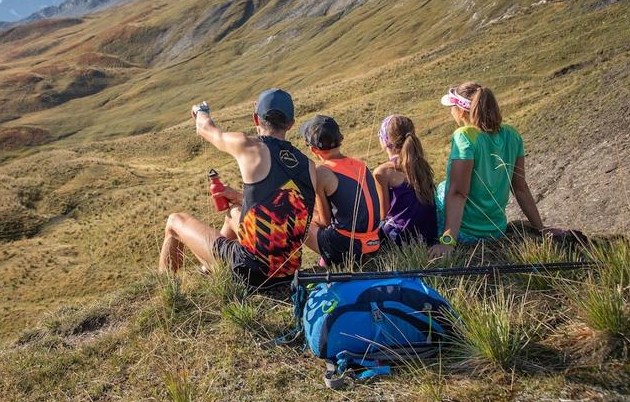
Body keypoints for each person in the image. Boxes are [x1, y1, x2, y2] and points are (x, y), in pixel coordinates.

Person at [158, 89, 317, 287]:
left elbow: (205, 129)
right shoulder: (309, 166)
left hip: (249, 271)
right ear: (291, 124)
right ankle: (211, 269)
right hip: (288, 271)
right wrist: (240, 197)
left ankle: (165, 292)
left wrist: (201, 110)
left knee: (175, 221)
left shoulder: (249, 146)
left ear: (255, 119)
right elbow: (286, 206)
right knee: (233, 212)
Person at [430, 82, 561, 257]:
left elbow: (459, 193)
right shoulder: (512, 135)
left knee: (437, 190)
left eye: (452, 107)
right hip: (495, 229)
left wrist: (448, 241)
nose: (451, 111)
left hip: (466, 233)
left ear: (460, 110)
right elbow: (520, 187)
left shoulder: (465, 136)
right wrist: (541, 228)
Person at [300, 114, 381, 268]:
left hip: (348, 247)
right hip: (374, 242)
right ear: (341, 138)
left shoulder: (321, 173)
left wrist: (308, 215)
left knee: (299, 221)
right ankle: (326, 261)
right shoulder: (360, 164)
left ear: (313, 149)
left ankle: (326, 262)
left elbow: (325, 222)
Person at [374, 115, 438, 246]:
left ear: (385, 140)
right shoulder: (421, 164)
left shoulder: (382, 172)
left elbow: (383, 214)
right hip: (430, 235)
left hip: (402, 238)